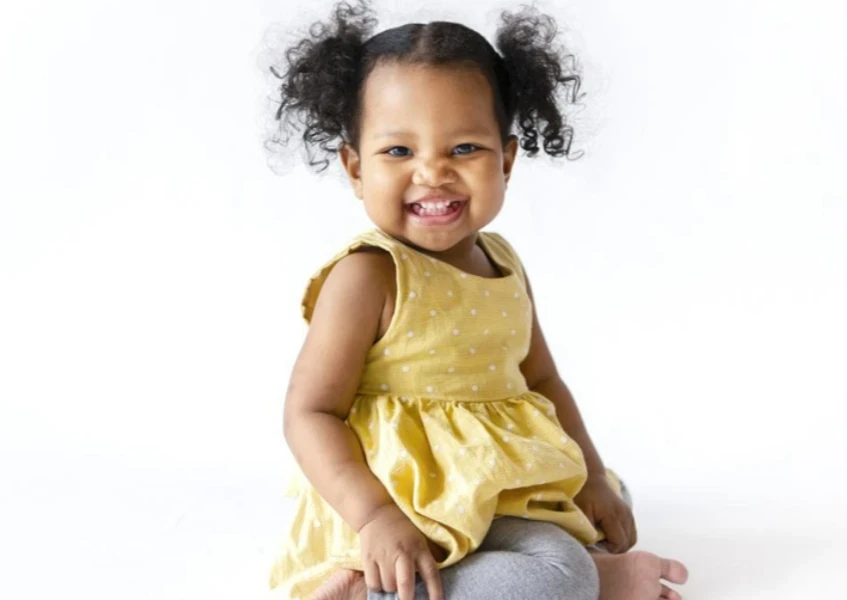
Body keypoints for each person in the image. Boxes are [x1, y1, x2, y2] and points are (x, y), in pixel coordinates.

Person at [266, 2, 690, 599]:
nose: (433, 172)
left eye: (464, 149)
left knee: (613, 496)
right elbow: (309, 413)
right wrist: (374, 517)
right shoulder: (368, 275)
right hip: (403, 505)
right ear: (355, 168)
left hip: (492, 484)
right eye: (398, 152)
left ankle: (558, 568)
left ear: (507, 161)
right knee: (554, 579)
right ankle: (376, 588)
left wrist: (590, 473)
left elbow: (542, 380)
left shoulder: (504, 261)